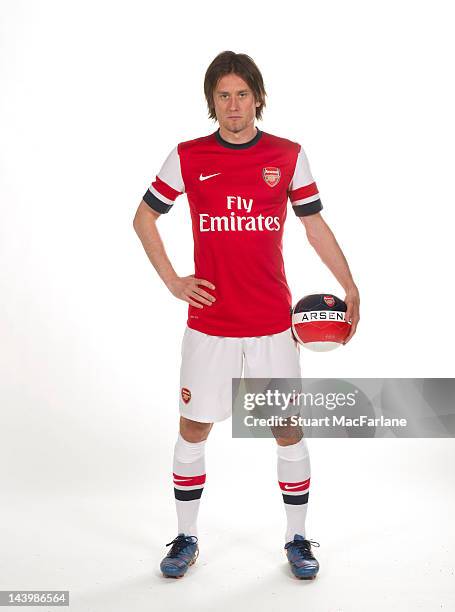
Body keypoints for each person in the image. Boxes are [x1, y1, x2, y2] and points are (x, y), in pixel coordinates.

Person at [133, 50, 360, 580]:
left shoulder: (288, 154)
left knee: (286, 428)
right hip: (209, 324)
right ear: (211, 102)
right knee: (193, 428)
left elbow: (314, 226)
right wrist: (173, 281)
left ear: (258, 97)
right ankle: (186, 537)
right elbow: (144, 217)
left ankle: (297, 539)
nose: (233, 104)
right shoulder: (186, 156)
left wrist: (349, 283)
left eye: (242, 93)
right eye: (223, 95)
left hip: (271, 323)